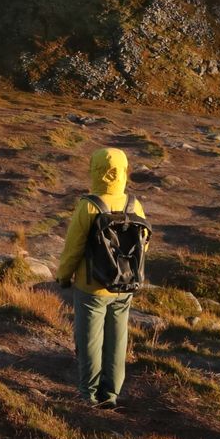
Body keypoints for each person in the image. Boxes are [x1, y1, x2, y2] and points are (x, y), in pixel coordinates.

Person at [54, 146, 148, 409]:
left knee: (90, 342)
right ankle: (112, 394)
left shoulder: (89, 205)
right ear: (123, 172)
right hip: (124, 286)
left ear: (95, 171)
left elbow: (73, 247)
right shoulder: (134, 204)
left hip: (91, 288)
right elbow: (143, 245)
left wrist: (63, 276)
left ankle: (89, 395)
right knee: (118, 341)